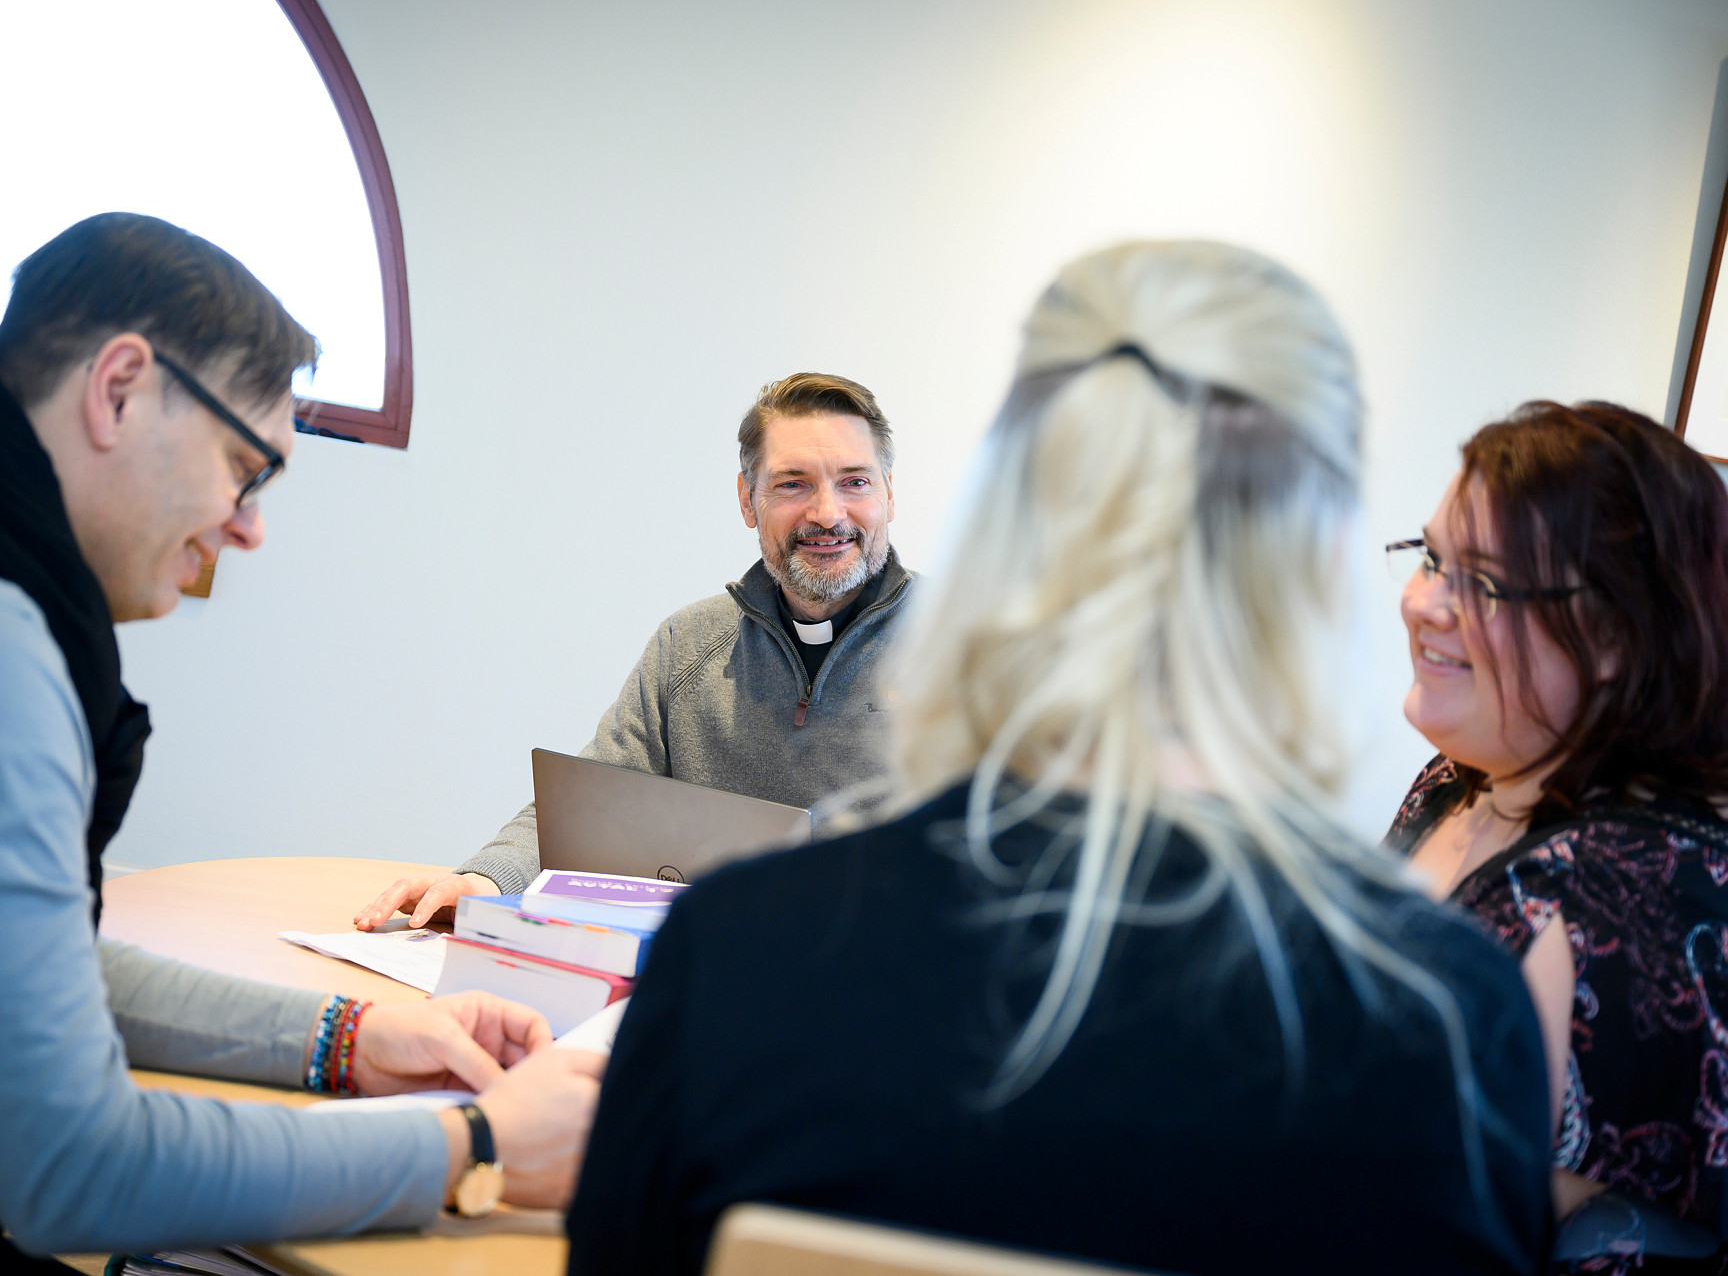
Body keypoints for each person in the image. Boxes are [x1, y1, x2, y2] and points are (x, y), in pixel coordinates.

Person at [562, 241, 1555, 1275]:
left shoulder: (730, 956)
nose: (826, 511)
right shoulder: (1448, 1019)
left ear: (999, 524)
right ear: (1324, 557)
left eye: (852, 479)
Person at [0, 213, 601, 1275]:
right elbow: (73, 1165)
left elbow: (33, 968)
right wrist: (484, 1144)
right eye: (245, 465)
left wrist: (349, 1037)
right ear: (120, 386)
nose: (248, 524)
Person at [353, 371, 915, 929]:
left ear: (889, 492)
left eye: (854, 482)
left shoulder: (962, 650)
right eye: (792, 484)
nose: (827, 513)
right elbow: (590, 808)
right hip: (710, 981)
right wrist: (485, 880)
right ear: (748, 500)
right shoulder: (687, 646)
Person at [1386, 401, 1728, 1271]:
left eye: (1486, 585)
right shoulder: (1459, 781)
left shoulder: (1624, 898)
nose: (1422, 603)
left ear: (1616, 634)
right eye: (1432, 558)